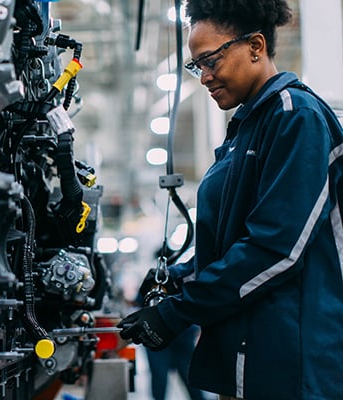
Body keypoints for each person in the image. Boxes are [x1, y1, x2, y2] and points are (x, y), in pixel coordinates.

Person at [117, 1, 343, 400]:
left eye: (210, 61)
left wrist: (178, 312)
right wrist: (179, 277)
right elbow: (231, 241)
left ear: (255, 45)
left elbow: (276, 249)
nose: (203, 76)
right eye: (195, 66)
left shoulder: (295, 117)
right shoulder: (245, 131)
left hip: (292, 363)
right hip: (247, 356)